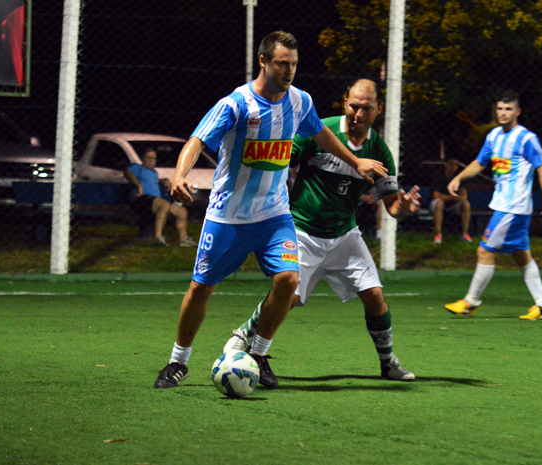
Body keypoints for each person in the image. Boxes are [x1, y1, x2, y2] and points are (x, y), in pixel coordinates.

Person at [154, 31, 388, 389]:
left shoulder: (300, 101)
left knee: (288, 281)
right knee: (201, 289)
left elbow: (321, 135)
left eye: (294, 63)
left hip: (274, 215)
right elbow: (196, 140)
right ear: (263, 61)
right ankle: (177, 362)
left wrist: (355, 162)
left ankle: (259, 355)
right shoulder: (236, 104)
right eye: (282, 63)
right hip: (227, 216)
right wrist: (179, 175)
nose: (290, 70)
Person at [223, 79, 421, 385]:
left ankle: (388, 362)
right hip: (302, 229)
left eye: (366, 108)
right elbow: (280, 162)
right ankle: (243, 337)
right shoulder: (321, 132)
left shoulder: (379, 150)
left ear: (378, 110)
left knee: (375, 296)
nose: (359, 113)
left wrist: (404, 208)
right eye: (354, 105)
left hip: (344, 234)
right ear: (345, 102)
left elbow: (393, 206)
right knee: (289, 296)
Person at [444, 91, 542, 320]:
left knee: (484, 251)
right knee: (521, 254)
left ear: (517, 112)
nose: (503, 113)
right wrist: (459, 177)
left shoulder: (526, 138)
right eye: (500, 109)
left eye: (508, 109)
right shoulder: (494, 136)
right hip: (505, 206)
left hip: (513, 208)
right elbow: (480, 162)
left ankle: (470, 302)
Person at [124, 148, 197, 247]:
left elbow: (155, 181)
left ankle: (184, 239)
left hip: (155, 201)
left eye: (153, 158)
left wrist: (165, 180)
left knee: (182, 211)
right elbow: (128, 173)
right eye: (148, 158)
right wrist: (138, 185)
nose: (151, 160)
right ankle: (158, 237)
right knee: (164, 205)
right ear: (143, 159)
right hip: (142, 200)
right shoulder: (138, 168)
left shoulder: (154, 173)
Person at [430, 159, 472, 244]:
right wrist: (455, 197)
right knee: (439, 203)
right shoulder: (438, 176)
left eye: (456, 165)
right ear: (446, 164)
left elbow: (464, 196)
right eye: (451, 164)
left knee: (466, 204)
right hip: (437, 205)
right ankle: (438, 235)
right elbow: (437, 196)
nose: (454, 167)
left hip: (453, 205)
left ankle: (464, 234)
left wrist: (447, 197)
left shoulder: (458, 178)